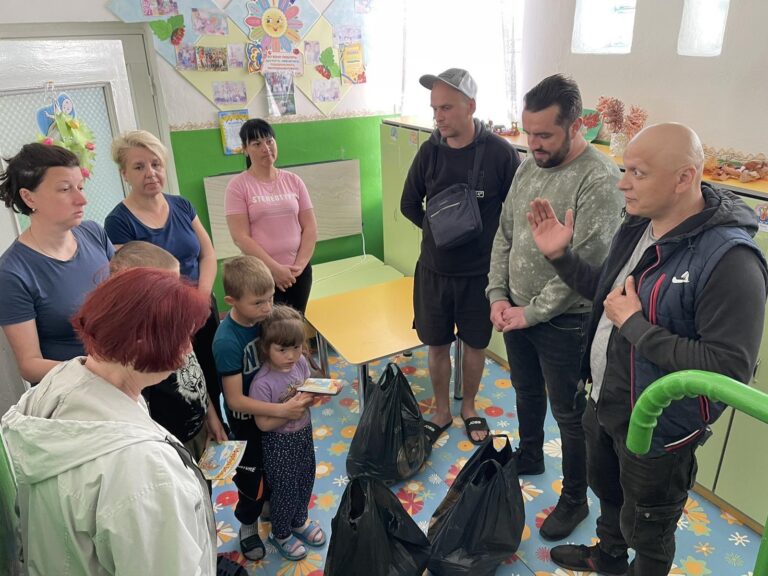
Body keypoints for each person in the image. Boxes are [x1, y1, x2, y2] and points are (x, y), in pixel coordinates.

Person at [526, 123, 768, 575]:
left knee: (650, 529)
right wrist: (561, 256)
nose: (622, 183)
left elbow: (728, 371)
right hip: (607, 401)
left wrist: (636, 326)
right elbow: (609, 299)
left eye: (638, 173)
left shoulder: (732, 261)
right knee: (609, 493)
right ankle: (608, 558)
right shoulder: (640, 223)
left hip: (659, 429)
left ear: (684, 177)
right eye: (625, 169)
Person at [1, 268, 217, 575]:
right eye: (182, 339)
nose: (187, 353)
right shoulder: (148, 473)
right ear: (142, 343)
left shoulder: (58, 382)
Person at [486, 74, 624, 541]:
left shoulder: (599, 179)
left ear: (576, 125)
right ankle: (529, 454)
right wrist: (498, 295)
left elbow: (587, 267)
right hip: (516, 310)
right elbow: (505, 232)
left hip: (565, 321)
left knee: (569, 414)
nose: (534, 144)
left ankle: (574, 499)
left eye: (544, 134)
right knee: (525, 389)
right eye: (529, 133)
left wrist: (530, 312)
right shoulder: (529, 163)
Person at [400, 68, 521, 445]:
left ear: (471, 106)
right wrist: (440, 232)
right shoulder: (429, 151)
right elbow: (408, 204)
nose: (438, 116)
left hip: (480, 276)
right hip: (434, 272)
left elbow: (517, 212)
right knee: (436, 345)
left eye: (447, 108)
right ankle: (441, 411)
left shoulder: (500, 153)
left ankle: (469, 407)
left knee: (475, 344)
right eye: (435, 108)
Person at [105, 130, 226, 424]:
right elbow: (132, 283)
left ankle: (221, 432)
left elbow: (208, 254)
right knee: (181, 390)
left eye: (156, 164)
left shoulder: (182, 205)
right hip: (163, 322)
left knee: (213, 377)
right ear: (124, 174)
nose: (150, 173)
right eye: (139, 166)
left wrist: (201, 298)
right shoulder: (118, 221)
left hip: (201, 307)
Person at [213, 255, 314, 561]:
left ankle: (278, 512)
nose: (268, 308)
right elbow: (234, 400)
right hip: (247, 423)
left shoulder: (265, 320)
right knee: (251, 480)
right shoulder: (227, 340)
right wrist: (285, 411)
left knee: (280, 473)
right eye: (258, 302)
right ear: (232, 301)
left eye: (270, 298)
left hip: (277, 416)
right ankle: (247, 525)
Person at [0, 143, 114, 384]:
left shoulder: (94, 233)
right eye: (65, 189)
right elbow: (30, 365)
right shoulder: (13, 272)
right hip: (73, 394)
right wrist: (97, 370)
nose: (82, 199)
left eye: (80, 187)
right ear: (29, 197)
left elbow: (124, 300)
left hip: (123, 378)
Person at [109, 241, 227, 460]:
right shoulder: (135, 349)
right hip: (171, 444)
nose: (177, 295)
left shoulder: (175, 323)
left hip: (200, 428)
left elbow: (195, 372)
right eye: (167, 289)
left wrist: (211, 415)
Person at [249, 305, 326, 561]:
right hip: (279, 444)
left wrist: (313, 397)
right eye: (282, 349)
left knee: (306, 477)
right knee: (285, 490)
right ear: (266, 348)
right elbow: (262, 424)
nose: (291, 355)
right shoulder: (263, 383)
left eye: (296, 346)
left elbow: (305, 390)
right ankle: (280, 533)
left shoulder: (301, 363)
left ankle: (299, 521)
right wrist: (289, 412)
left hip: (304, 434)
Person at [225, 119, 318, 314]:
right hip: (262, 275)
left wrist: (299, 267)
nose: (266, 148)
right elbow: (240, 237)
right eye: (256, 144)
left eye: (269, 141)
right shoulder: (237, 186)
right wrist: (275, 270)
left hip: (298, 273)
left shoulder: (294, 180)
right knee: (270, 329)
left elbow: (310, 227)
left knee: (296, 324)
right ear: (245, 150)